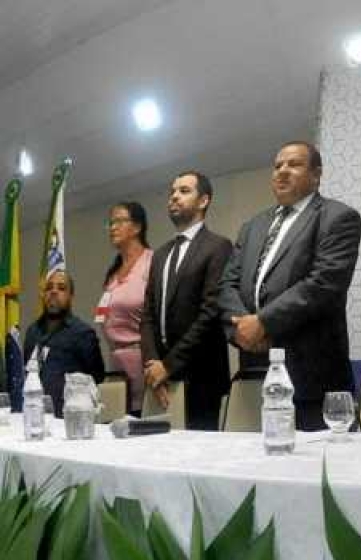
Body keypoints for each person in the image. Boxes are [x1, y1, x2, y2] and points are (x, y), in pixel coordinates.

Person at [215, 141, 361, 431]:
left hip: (313, 381)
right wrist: (240, 330)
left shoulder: (338, 218)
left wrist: (264, 323)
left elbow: (322, 284)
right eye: (277, 165)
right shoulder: (252, 226)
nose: (282, 171)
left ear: (316, 175)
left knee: (319, 471)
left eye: (293, 165)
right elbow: (227, 285)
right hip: (255, 374)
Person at [140, 172, 234, 429]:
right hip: (159, 381)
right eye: (172, 191)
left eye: (184, 191)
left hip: (202, 379)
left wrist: (168, 366)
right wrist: (153, 367)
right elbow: (147, 314)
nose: (174, 197)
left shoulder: (218, 247)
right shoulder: (160, 254)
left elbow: (210, 313)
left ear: (203, 201)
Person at [23, 270, 105, 416]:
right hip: (34, 416)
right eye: (49, 288)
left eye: (61, 288)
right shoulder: (32, 332)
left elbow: (97, 379)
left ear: (71, 297)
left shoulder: (83, 334)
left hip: (70, 419)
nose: (53, 292)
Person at [99, 201, 152, 413]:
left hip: (144, 365)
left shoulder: (152, 262)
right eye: (110, 223)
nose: (113, 227)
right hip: (116, 368)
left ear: (137, 227)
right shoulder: (113, 273)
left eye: (119, 221)